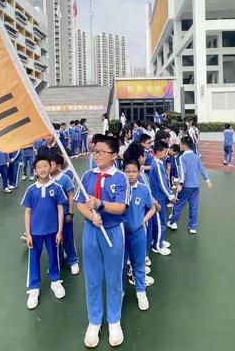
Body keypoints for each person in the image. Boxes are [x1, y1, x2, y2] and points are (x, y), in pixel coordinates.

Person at [75, 135, 129, 348]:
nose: (96, 155)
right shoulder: (87, 176)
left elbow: (121, 207)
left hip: (113, 232)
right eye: (94, 151)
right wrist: (91, 216)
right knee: (93, 277)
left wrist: (100, 205)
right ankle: (94, 321)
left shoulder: (120, 178)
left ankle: (114, 320)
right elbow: (80, 203)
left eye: (101, 152)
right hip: (91, 232)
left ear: (113, 155)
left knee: (114, 277)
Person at [23, 155, 67, 310]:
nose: (42, 169)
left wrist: (60, 231)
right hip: (35, 233)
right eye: (39, 167)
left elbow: (60, 209)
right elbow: (27, 212)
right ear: (35, 170)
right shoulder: (31, 190)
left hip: (53, 231)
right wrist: (28, 234)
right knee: (34, 259)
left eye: (45, 166)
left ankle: (55, 281)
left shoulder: (56, 188)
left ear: (51, 168)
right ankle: (34, 289)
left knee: (54, 257)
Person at [123, 160, 156, 311]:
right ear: (123, 172)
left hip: (138, 234)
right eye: (127, 171)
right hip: (121, 235)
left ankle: (141, 291)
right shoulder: (119, 189)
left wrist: (143, 220)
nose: (130, 174)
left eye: (133, 171)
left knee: (139, 263)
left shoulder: (143, 189)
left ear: (138, 172)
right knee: (121, 265)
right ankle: (120, 291)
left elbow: (152, 208)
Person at [168, 136, 212, 234]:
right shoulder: (196, 156)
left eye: (180, 144)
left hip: (186, 186)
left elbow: (183, 172)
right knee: (194, 206)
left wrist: (180, 183)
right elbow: (202, 169)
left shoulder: (182, 157)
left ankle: (172, 222)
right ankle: (193, 227)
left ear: (183, 145)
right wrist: (207, 180)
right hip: (195, 186)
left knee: (178, 205)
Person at [50, 154, 79, 275]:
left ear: (58, 166)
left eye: (50, 165)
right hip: (51, 217)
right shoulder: (47, 179)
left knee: (67, 238)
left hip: (65, 214)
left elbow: (70, 196)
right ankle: (59, 260)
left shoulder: (65, 179)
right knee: (54, 240)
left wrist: (70, 213)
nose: (48, 167)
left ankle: (73, 261)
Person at [149, 140, 175, 255]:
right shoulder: (158, 165)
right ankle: (157, 245)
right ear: (158, 152)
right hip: (158, 198)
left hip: (159, 197)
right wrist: (170, 196)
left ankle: (159, 240)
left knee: (160, 222)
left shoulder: (158, 163)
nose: (166, 154)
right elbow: (162, 184)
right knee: (160, 223)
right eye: (165, 152)